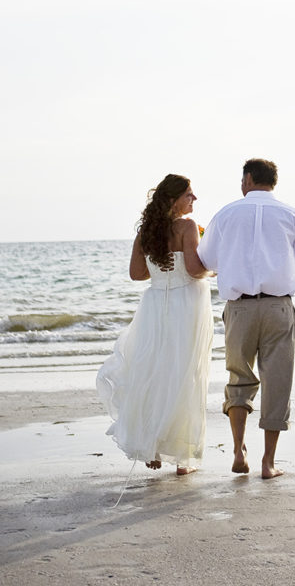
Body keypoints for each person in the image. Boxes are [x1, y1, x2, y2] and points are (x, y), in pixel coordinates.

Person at [197, 158, 295, 479]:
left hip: (239, 308)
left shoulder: (225, 214)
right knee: (278, 381)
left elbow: (206, 260)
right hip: (279, 307)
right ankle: (268, 463)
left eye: (242, 180)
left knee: (239, 377)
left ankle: (239, 450)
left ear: (249, 179)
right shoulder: (292, 215)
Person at [96, 174, 213, 475]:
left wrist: (161, 270)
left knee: (153, 373)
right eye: (189, 194)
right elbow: (194, 269)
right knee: (184, 374)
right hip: (186, 305)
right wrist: (214, 264)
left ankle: (153, 449)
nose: (194, 199)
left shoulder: (145, 232)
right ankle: (183, 458)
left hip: (154, 307)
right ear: (175, 200)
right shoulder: (188, 227)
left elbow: (137, 274)